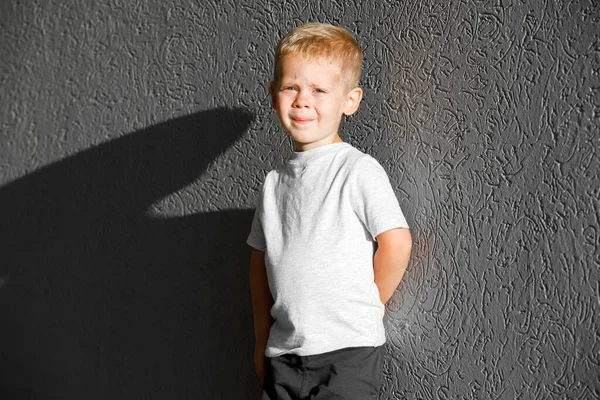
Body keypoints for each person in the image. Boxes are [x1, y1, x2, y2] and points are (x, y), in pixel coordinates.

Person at [246, 22, 413, 400]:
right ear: (274, 95)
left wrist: (370, 305)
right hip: (284, 355)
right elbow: (259, 262)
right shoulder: (273, 183)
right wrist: (261, 337)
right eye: (291, 87)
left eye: (319, 90)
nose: (303, 100)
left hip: (347, 354)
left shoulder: (357, 170)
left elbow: (397, 243)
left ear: (350, 101)